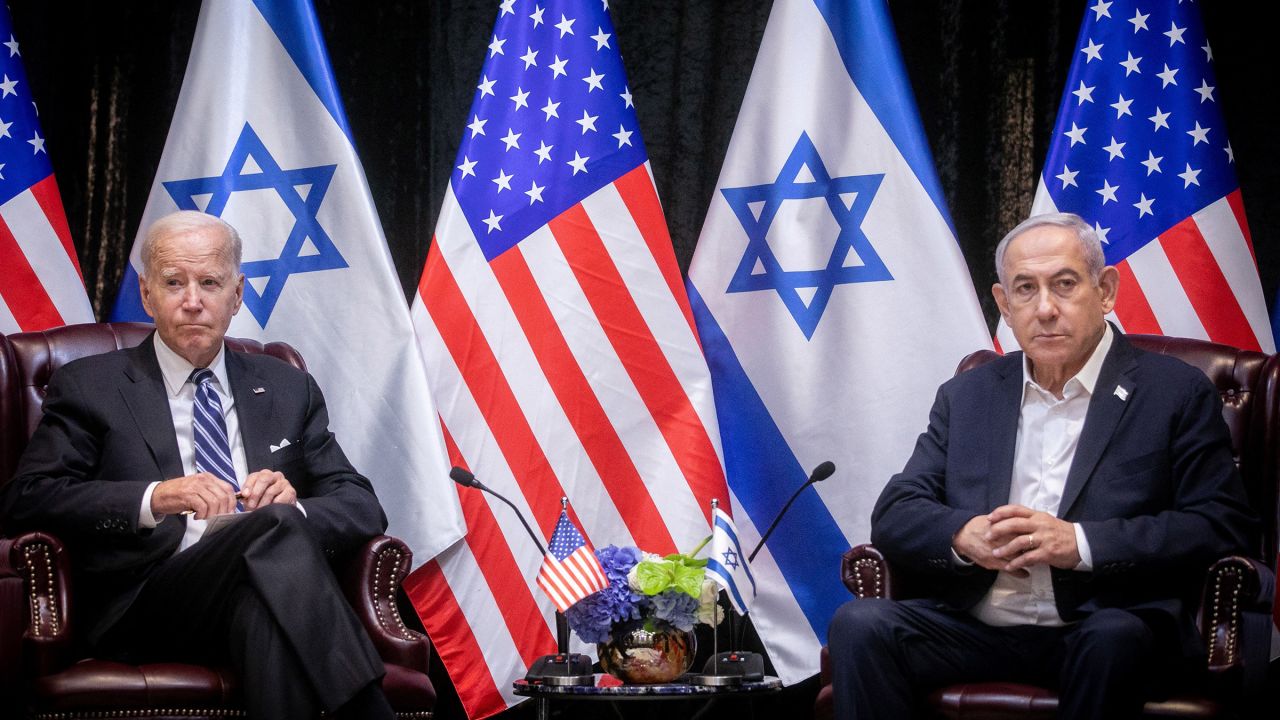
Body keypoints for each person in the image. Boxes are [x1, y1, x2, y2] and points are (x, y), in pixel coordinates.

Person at [828, 213, 1257, 719]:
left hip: (1106, 625)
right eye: (1025, 290)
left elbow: (1218, 525)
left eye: (1065, 284)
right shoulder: (968, 395)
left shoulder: (1175, 393)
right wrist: (963, 537)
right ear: (1004, 305)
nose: (1046, 308)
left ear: (1106, 290)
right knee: (859, 625)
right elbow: (897, 511)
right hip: (979, 625)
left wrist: (1076, 545)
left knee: (1111, 637)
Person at [0, 211, 395, 719]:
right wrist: (154, 498)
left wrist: (293, 510)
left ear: (237, 294)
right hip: (147, 603)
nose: (192, 301)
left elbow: (361, 504)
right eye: (173, 283)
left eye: (210, 283)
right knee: (269, 530)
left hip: (260, 590)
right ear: (146, 294)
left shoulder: (285, 385)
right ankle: (369, 708)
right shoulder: (89, 385)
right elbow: (27, 497)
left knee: (264, 591)